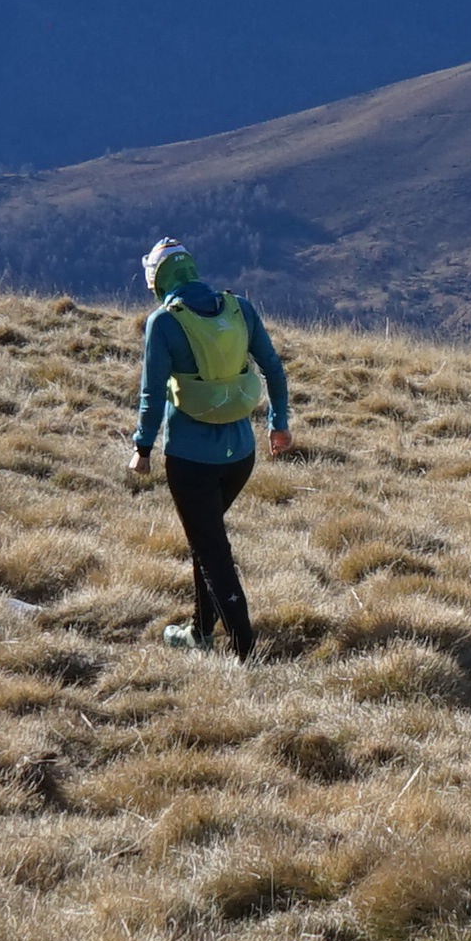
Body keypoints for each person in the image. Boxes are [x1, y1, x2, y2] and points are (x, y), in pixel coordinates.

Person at [126, 239, 298, 653]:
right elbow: (273, 367)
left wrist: (142, 448)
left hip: (190, 460)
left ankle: (244, 652)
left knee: (213, 553)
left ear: (156, 279)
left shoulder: (164, 322)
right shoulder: (238, 307)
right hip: (241, 454)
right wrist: (279, 424)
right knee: (205, 541)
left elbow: (151, 395)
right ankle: (199, 633)